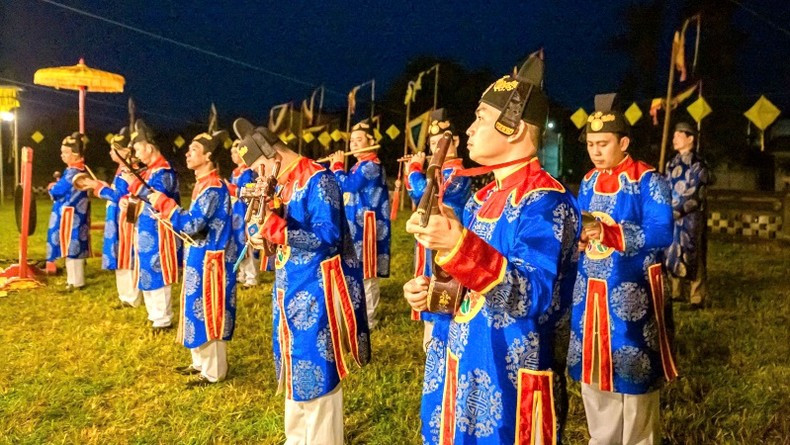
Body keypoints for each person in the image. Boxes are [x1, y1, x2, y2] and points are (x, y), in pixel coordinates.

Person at [404, 51, 580, 444]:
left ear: (514, 128)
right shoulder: (483, 199)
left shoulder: (546, 201)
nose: (468, 129)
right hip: (462, 360)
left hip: (507, 373)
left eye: (480, 118)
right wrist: (430, 293)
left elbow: (533, 296)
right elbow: (466, 282)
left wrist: (458, 244)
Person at [234, 119, 370, 444]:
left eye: (259, 167)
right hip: (287, 286)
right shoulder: (281, 180)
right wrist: (262, 237)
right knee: (292, 364)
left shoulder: (318, 179)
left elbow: (328, 236)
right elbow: (278, 230)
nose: (258, 175)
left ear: (273, 153)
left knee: (318, 369)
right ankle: (296, 438)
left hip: (317, 289)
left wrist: (276, 230)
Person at [568, 94, 678, 444]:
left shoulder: (648, 180)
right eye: (590, 144)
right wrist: (580, 240)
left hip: (633, 293)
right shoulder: (587, 180)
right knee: (594, 370)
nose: (596, 151)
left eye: (603, 143)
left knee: (634, 372)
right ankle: (602, 438)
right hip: (591, 292)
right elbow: (582, 224)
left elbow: (662, 232)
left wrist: (611, 232)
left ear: (624, 142)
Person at [403, 109, 473, 443]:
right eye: (431, 144)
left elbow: (428, 192)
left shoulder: (459, 174)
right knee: (426, 293)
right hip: (432, 249)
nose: (435, 148)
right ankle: (432, 347)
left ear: (456, 142)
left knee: (444, 298)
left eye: (441, 142)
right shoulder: (440, 171)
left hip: (455, 254)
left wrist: (415, 169)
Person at [149, 130, 239, 386]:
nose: (187, 153)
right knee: (194, 309)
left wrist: (165, 205)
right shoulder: (203, 184)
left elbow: (193, 223)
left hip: (212, 261)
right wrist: (167, 213)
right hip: (200, 256)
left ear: (208, 156)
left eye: (194, 150)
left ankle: (214, 372)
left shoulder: (212, 188)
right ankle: (199, 362)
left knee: (209, 312)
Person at [330, 119, 390, 329]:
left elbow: (348, 185)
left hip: (368, 227)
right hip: (354, 225)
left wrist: (337, 166)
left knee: (367, 273)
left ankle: (369, 320)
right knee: (353, 269)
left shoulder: (372, 165)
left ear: (371, 141)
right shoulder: (359, 165)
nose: (353, 145)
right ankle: (354, 313)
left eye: (359, 140)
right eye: (352, 141)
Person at [122, 119, 181, 332]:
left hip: (159, 231)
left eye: (138, 148)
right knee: (147, 270)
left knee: (158, 271)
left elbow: (156, 197)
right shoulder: (150, 170)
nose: (136, 153)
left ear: (149, 147)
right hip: (146, 228)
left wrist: (134, 184)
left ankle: (163, 318)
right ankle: (154, 314)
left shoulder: (164, 171)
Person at [85, 127, 141, 307]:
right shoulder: (121, 169)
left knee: (127, 256)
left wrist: (99, 188)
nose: (110, 153)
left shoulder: (131, 170)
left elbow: (122, 196)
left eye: (114, 149)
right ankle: (125, 296)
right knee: (120, 256)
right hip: (117, 218)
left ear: (125, 151)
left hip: (126, 218)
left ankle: (132, 297)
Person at [665, 121, 711, 310]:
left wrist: (677, 210)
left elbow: (695, 192)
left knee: (693, 252)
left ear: (690, 138)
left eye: (678, 135)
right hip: (672, 215)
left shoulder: (698, 164)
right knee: (672, 251)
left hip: (690, 216)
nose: (674, 139)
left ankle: (697, 295)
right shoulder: (671, 163)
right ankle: (676, 291)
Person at [46, 132, 91, 291]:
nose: (62, 155)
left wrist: (52, 188)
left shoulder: (73, 172)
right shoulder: (77, 169)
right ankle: (72, 280)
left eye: (65, 152)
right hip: (75, 215)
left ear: (76, 154)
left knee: (73, 249)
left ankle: (76, 281)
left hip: (71, 216)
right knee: (71, 248)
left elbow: (59, 190)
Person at [226, 139, 260, 286]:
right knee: (237, 242)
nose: (233, 155)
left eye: (236, 152)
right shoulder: (235, 172)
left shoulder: (249, 171)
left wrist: (232, 189)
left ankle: (252, 277)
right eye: (232, 153)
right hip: (235, 212)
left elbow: (250, 192)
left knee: (248, 242)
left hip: (246, 212)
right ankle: (242, 273)